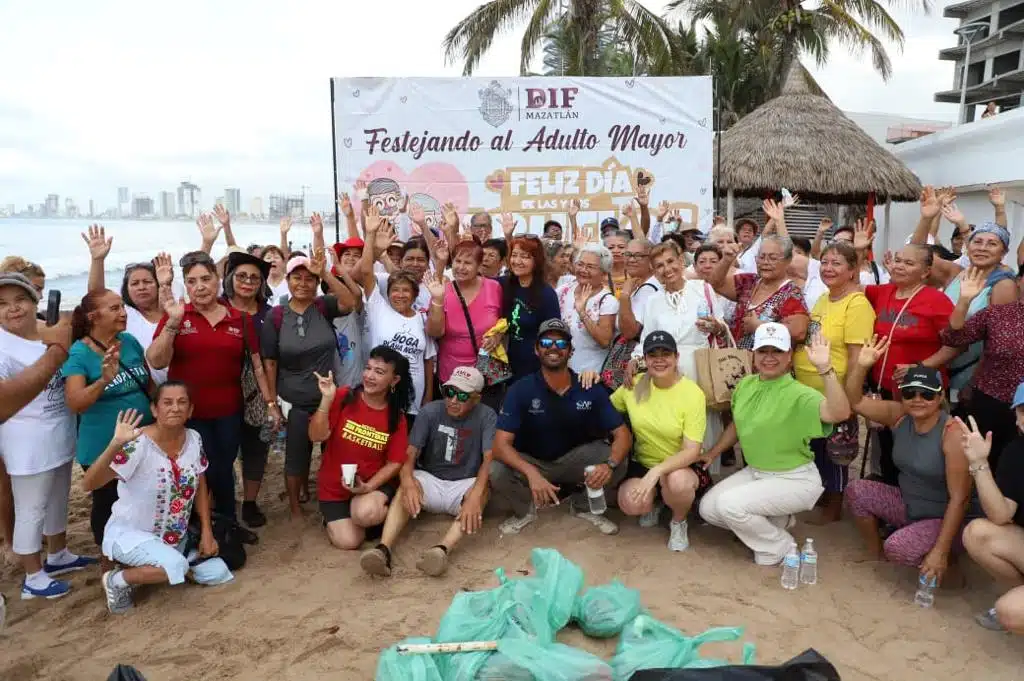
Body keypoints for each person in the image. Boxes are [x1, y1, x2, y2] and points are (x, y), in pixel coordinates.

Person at [699, 325, 850, 565]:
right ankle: (776, 521)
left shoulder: (799, 393)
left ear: (789, 355)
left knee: (730, 506)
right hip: (756, 472)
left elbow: (840, 413)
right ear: (754, 355)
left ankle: (780, 547)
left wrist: (825, 369)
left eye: (777, 351)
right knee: (708, 509)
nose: (769, 358)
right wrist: (714, 452)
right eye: (763, 351)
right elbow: (738, 424)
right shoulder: (746, 384)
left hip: (794, 478)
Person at [147, 251, 278, 524]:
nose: (200, 286)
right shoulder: (177, 315)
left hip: (229, 411)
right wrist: (172, 322)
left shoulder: (238, 318)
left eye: (206, 279)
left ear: (218, 279)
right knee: (198, 470)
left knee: (223, 467)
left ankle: (226, 523)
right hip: (188, 414)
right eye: (192, 281)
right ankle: (204, 525)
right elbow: (156, 361)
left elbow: (256, 366)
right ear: (186, 285)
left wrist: (270, 404)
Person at [85, 385, 233, 614]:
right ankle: (116, 580)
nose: (175, 408)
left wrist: (206, 531)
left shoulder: (194, 438)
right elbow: (89, 484)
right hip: (131, 534)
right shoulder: (137, 443)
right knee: (175, 565)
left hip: (174, 537)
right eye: (167, 402)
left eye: (182, 402)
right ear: (154, 410)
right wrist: (115, 444)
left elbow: (200, 483)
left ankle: (174, 565)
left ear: (191, 410)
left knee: (219, 572)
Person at [844, 338, 974, 586]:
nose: (917, 399)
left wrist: (940, 551)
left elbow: (961, 499)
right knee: (857, 490)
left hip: (946, 517)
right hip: (910, 505)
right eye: (910, 393)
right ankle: (875, 554)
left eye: (926, 394)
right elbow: (855, 402)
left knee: (899, 547)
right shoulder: (900, 416)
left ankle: (949, 564)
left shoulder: (952, 433)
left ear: (939, 396)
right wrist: (861, 366)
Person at [0, 273, 95, 599]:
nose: (13, 309)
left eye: (20, 300)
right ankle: (32, 576)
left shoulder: (48, 329)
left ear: (34, 301)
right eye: (2, 304)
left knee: (58, 498)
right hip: (27, 441)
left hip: (59, 431)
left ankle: (57, 554)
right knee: (31, 507)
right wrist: (55, 350)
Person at [491, 319, 632, 536]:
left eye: (561, 343)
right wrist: (531, 473)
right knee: (496, 469)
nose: (553, 348)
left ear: (571, 351)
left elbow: (622, 434)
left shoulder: (589, 388)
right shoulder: (521, 389)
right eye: (546, 342)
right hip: (533, 460)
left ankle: (582, 506)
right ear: (536, 350)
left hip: (574, 459)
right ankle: (525, 511)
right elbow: (501, 445)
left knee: (619, 459)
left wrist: (609, 465)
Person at [359, 366, 496, 577]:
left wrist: (476, 493)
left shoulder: (487, 416)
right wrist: (407, 482)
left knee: (483, 489)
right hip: (430, 478)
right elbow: (410, 453)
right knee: (406, 486)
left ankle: (441, 550)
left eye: (462, 395)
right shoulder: (430, 411)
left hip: (464, 482)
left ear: (476, 398)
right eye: (449, 392)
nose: (453, 400)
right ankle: (383, 549)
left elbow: (489, 459)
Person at [263, 252, 353, 520]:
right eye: (297, 278)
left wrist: (325, 273)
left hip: (328, 396)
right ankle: (294, 505)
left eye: (309, 279)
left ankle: (330, 496)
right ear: (287, 281)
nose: (303, 283)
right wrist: (272, 404)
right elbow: (269, 363)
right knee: (296, 456)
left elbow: (351, 301)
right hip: (295, 399)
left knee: (332, 452)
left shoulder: (324, 306)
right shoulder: (276, 316)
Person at [64, 289, 154, 550]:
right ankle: (108, 558)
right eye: (114, 308)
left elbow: (147, 385)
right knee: (108, 504)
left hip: (142, 439)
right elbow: (75, 403)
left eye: (123, 307)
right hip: (104, 444)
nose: (123, 313)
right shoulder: (80, 353)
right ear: (94, 316)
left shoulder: (130, 341)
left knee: (139, 500)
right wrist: (103, 380)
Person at [792, 242, 875, 522]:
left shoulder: (857, 304)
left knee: (836, 450)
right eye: (825, 262)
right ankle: (823, 498)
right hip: (809, 392)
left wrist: (849, 396)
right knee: (816, 447)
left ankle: (834, 508)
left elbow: (855, 357)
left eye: (837, 263)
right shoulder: (824, 298)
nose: (828, 268)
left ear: (852, 270)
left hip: (834, 390)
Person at [862, 244, 954, 485]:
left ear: (925, 272)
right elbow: (851, 282)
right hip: (882, 388)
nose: (899, 266)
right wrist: (861, 251)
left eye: (909, 263)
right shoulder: (882, 292)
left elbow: (956, 345)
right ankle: (889, 503)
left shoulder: (937, 301)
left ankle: (919, 505)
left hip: (920, 391)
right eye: (897, 260)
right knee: (887, 449)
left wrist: (921, 367)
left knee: (919, 452)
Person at [612, 332, 711, 551]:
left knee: (677, 482)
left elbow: (692, 451)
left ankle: (678, 521)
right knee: (630, 503)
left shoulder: (692, 393)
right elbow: (606, 411)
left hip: (682, 466)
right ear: (644, 360)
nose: (659, 359)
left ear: (676, 357)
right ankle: (656, 502)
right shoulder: (633, 385)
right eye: (652, 354)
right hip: (643, 462)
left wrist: (657, 471)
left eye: (665, 353)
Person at [310, 346, 413, 550]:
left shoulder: (396, 417)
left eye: (379, 372)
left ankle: (377, 513)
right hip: (335, 486)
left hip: (370, 486)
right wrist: (326, 399)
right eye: (368, 368)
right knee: (348, 542)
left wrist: (368, 486)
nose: (370, 376)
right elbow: (315, 436)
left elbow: (395, 462)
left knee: (364, 514)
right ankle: (340, 518)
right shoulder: (344, 397)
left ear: (394, 381)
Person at [939, 267, 1024, 473]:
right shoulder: (997, 314)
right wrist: (964, 301)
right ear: (1019, 281)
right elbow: (953, 337)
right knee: (986, 466)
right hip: (991, 404)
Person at [959, 384, 1024, 633]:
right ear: (1017, 417)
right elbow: (1000, 514)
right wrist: (979, 463)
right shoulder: (1016, 452)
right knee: (977, 533)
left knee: (1012, 612)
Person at [360, 215, 437, 423]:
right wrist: (370, 236)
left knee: (406, 450)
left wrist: (428, 396)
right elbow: (365, 272)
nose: (400, 295)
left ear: (414, 295)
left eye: (405, 291)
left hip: (413, 400)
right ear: (388, 291)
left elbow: (428, 361)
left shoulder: (422, 318)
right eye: (395, 290)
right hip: (380, 395)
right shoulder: (379, 309)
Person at [82, 225, 174, 383]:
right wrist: (98, 260)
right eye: (135, 283)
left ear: (158, 284)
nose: (141, 287)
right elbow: (96, 296)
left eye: (147, 282)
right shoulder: (126, 315)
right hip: (145, 392)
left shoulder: (174, 313)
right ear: (127, 289)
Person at [221, 249, 273, 527]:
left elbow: (272, 357)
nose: (248, 281)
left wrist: (271, 399)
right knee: (222, 451)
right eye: (241, 275)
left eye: (254, 277)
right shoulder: (217, 307)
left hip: (259, 392)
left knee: (257, 448)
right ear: (230, 278)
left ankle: (250, 502)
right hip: (222, 390)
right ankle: (225, 504)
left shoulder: (269, 314)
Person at [425, 237, 504, 409]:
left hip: (485, 374)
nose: (460, 267)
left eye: (467, 263)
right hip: (451, 376)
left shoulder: (494, 287)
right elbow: (434, 332)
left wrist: (498, 335)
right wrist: (437, 300)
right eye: (457, 261)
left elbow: (503, 321)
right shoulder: (442, 290)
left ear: (479, 265)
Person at [709, 235, 809, 350]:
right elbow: (716, 284)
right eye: (761, 257)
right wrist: (726, 260)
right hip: (736, 361)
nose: (765, 262)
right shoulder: (749, 282)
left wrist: (760, 326)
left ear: (788, 261)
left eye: (773, 258)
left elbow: (799, 332)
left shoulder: (791, 293)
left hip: (768, 363)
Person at [502, 236, 561, 380]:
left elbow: (553, 334)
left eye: (525, 257)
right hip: (508, 367)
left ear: (537, 260)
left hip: (535, 369)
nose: (517, 261)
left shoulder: (546, 294)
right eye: (514, 255)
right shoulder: (505, 285)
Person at [557, 244, 619, 374]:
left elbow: (605, 341)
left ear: (603, 273)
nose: (583, 270)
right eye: (580, 264)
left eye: (590, 267)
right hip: (560, 370)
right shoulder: (563, 291)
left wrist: (583, 313)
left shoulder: (607, 301)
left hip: (589, 374)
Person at [615, 238, 660, 344]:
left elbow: (629, 332)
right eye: (628, 254)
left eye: (638, 255)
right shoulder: (638, 285)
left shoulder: (648, 289)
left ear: (651, 260)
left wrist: (624, 296)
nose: (631, 260)